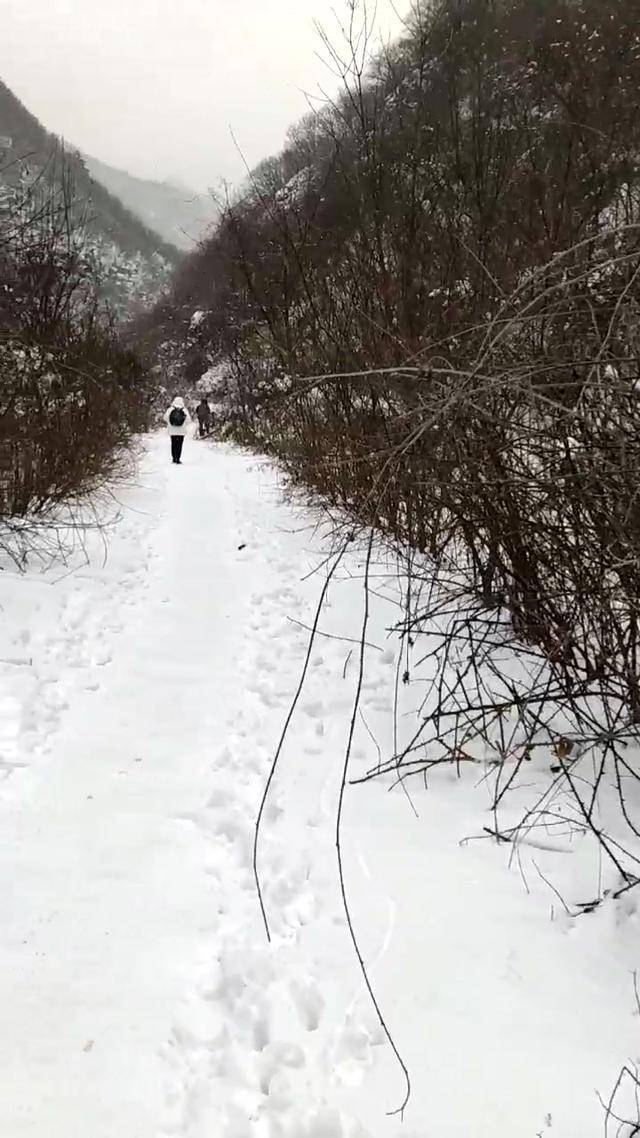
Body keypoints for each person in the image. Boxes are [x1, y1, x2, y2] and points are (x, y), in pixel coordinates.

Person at [164, 396, 192, 464]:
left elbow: (165, 418)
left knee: (173, 444)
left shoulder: (170, 409)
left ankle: (174, 458)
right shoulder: (184, 410)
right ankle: (178, 459)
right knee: (179, 445)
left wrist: (170, 423)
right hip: (181, 431)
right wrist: (183, 423)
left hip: (172, 430)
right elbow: (189, 420)